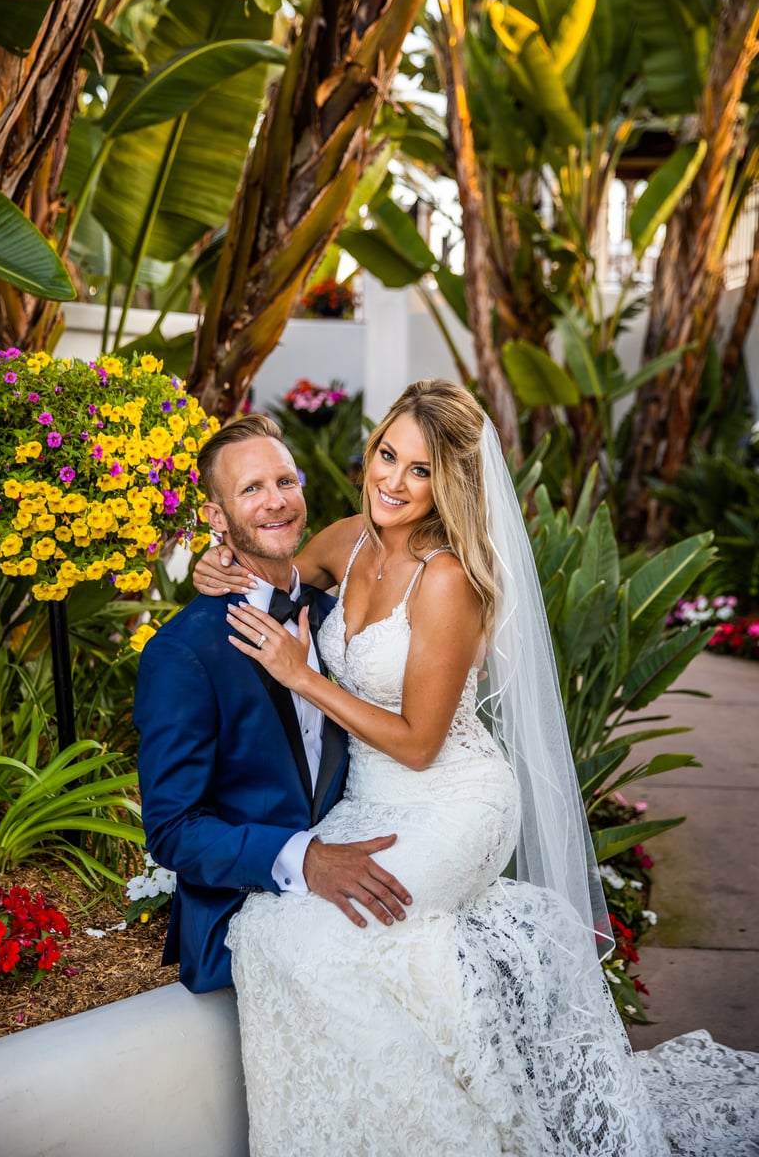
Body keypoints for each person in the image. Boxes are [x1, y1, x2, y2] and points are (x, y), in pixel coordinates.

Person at [193, 380, 759, 1156]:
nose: (393, 481)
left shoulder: (447, 578)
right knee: (266, 929)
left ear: (448, 482)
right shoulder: (346, 540)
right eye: (387, 454)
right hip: (365, 800)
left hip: (452, 800)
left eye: (419, 470)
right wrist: (216, 559)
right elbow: (282, 574)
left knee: (320, 939)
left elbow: (420, 743)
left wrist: (305, 677)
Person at [133, 414, 413, 995]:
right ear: (216, 518)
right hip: (244, 908)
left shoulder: (336, 619)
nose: (276, 501)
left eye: (285, 481)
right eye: (251, 489)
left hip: (361, 867)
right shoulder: (183, 652)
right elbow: (173, 829)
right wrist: (305, 859)